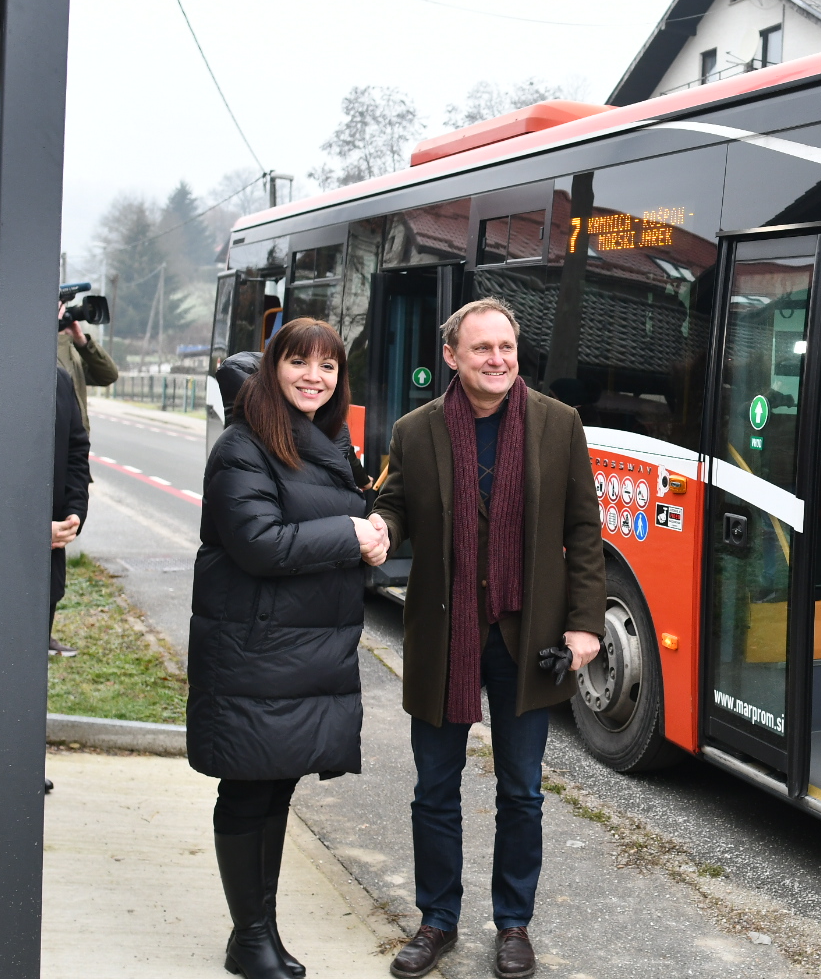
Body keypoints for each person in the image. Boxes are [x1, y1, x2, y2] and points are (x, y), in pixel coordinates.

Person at [373, 298, 604, 979]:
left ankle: (513, 924)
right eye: (482, 349)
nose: (498, 359)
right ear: (452, 356)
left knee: (522, 792)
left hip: (526, 633)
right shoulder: (415, 431)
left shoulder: (557, 424)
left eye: (506, 347)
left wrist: (586, 622)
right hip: (445, 633)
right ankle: (436, 920)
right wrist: (380, 527)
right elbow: (395, 503)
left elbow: (584, 530)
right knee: (435, 787)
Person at [187, 317, 389, 979]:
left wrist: (373, 535)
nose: (314, 376)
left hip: (295, 653)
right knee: (249, 790)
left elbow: (332, 532)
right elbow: (259, 543)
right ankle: (249, 937)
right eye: (299, 362)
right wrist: (351, 535)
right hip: (254, 650)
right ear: (274, 367)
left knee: (276, 788)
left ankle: (260, 932)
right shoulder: (244, 446)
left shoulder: (324, 441)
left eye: (327, 366)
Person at [0, 297, 91, 787]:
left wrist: (74, 513)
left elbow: (77, 449)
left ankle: (14, 761)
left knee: (27, 661)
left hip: (47, 553)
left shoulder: (58, 379)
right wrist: (17, 536)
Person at [56, 300, 118, 433]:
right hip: (57, 444)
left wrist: (82, 342)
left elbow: (108, 375)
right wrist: (58, 337)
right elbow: (60, 376)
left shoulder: (70, 351)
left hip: (77, 445)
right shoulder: (41, 350)